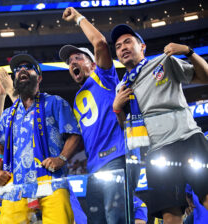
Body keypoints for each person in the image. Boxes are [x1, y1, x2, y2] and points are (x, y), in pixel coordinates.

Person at [111, 24, 208, 224]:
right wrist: (117, 108)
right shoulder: (121, 87)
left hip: (188, 138)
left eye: (128, 41)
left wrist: (189, 52)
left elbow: (205, 77)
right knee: (170, 214)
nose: (123, 47)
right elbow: (123, 127)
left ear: (142, 46)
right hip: (157, 152)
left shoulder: (163, 63)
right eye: (118, 46)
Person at [0, 53, 81, 223]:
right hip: (15, 184)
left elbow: (74, 135)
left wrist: (61, 158)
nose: (22, 70)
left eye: (29, 67)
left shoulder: (55, 102)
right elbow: (0, 147)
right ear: (15, 78)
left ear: (39, 78)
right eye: (18, 69)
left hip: (51, 180)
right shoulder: (7, 115)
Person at [59, 7, 128, 224]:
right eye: (69, 63)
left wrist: (78, 18)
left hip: (116, 158)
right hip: (94, 169)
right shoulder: (77, 100)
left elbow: (99, 43)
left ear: (93, 63)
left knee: (115, 218)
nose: (73, 64)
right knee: (96, 221)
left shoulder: (104, 77)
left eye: (78, 58)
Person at [0, 67, 17, 134]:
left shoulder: (45, 101)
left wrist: (10, 89)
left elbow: (28, 115)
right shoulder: (13, 109)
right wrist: (1, 95)